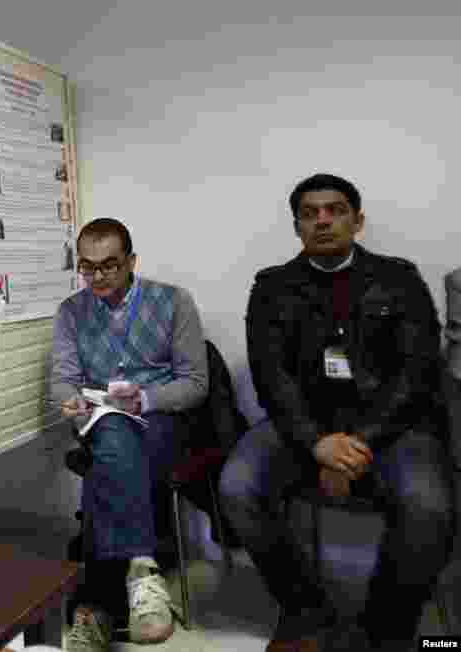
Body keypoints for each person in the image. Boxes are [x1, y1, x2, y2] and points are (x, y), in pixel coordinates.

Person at [220, 174, 454, 652]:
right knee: (238, 485)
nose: (323, 220)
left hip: (394, 428)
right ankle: (305, 608)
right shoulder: (272, 288)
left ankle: (385, 626)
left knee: (430, 507)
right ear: (297, 226)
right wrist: (317, 443)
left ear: (357, 220)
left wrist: (359, 441)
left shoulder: (400, 278)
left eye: (336, 209)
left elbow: (417, 374)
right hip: (301, 426)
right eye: (310, 213)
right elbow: (272, 380)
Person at [52, 218, 208, 650]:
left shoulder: (173, 302)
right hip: (101, 422)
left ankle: (93, 608)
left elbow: (196, 384)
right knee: (112, 434)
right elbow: (63, 381)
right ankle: (142, 570)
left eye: (110, 266)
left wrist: (147, 399)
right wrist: (71, 402)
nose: (98, 277)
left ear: (132, 262)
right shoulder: (71, 311)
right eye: (88, 267)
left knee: (108, 460)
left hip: (160, 421)